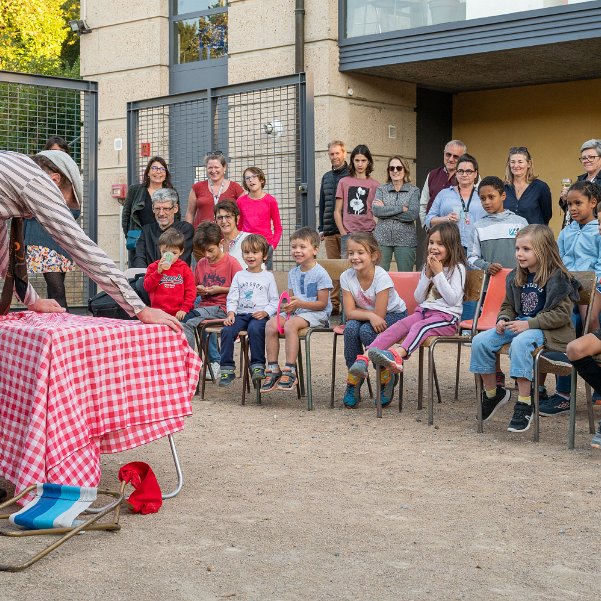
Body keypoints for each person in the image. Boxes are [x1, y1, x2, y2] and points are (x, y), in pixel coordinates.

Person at [0, 151, 182, 503]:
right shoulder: (36, 181)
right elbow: (79, 246)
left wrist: (31, 298)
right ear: (56, 182)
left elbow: (4, 255)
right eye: (66, 202)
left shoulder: (10, 177)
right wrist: (139, 308)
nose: (59, 208)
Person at [470, 225, 579, 433]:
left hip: (548, 330)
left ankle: (524, 401)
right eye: (517, 248)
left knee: (521, 342)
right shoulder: (515, 276)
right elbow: (508, 306)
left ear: (544, 250)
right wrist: (503, 318)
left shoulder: (559, 277)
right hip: (520, 325)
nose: (520, 254)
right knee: (480, 341)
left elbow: (561, 315)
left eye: (526, 249)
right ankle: (494, 394)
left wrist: (528, 324)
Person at [360, 223, 467, 404]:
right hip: (425, 311)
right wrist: (426, 274)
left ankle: (398, 356)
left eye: (440, 244)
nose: (434, 247)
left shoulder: (458, 269)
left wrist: (439, 274)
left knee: (419, 326)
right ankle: (367, 355)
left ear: (452, 246)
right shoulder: (429, 266)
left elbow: (452, 300)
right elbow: (418, 298)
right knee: (400, 325)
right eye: (431, 242)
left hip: (446, 318)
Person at [538, 180, 601, 416]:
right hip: (567, 290)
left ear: (593, 203)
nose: (572, 208)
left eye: (578, 203)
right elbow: (558, 262)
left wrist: (589, 285)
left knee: (588, 323)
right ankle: (563, 394)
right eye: (569, 204)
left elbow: (600, 265)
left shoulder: (599, 230)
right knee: (559, 326)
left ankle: (597, 382)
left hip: (594, 288)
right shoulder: (566, 232)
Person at [339, 232, 407, 408]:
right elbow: (349, 312)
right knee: (352, 329)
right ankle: (354, 377)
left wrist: (369, 315)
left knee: (367, 331)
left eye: (360, 252)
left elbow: (380, 315)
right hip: (368, 315)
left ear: (374, 255)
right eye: (351, 253)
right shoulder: (346, 277)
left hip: (394, 315)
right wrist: (368, 315)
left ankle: (386, 375)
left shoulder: (381, 277)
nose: (355, 257)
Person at [261, 227, 333, 393]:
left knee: (290, 325)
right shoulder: (293, 272)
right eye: (294, 247)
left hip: (317, 314)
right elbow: (291, 300)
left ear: (315, 250)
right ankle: (273, 368)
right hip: (297, 312)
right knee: (271, 324)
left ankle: (290, 370)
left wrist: (299, 304)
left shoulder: (321, 274)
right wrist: (288, 305)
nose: (297, 251)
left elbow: (322, 304)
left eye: (302, 247)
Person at [182, 221, 242, 380]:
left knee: (191, 318)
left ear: (221, 243)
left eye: (210, 250)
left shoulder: (232, 263)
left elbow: (242, 289)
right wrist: (199, 289)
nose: (207, 255)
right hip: (204, 305)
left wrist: (219, 290)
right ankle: (198, 362)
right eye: (204, 251)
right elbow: (193, 288)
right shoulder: (201, 263)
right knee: (186, 318)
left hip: (224, 307)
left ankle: (205, 363)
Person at [24, 150, 83, 309]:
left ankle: (59, 324)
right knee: (57, 289)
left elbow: (74, 213)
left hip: (61, 243)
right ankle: (64, 326)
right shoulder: (34, 187)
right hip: (43, 243)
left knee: (56, 289)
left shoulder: (69, 189)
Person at [219, 234, 278, 387]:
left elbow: (274, 301)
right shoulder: (239, 276)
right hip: (240, 314)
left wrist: (265, 312)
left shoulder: (268, 277)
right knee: (227, 330)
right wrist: (231, 313)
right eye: (246, 252)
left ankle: (258, 366)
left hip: (258, 316)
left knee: (255, 330)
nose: (250, 256)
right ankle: (227, 368)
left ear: (264, 255)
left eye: (255, 252)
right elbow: (232, 297)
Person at [122, 156, 177, 267]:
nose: (158, 172)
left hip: (163, 240)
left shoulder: (171, 192)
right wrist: (129, 235)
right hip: (139, 239)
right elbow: (126, 216)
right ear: (148, 172)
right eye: (154, 168)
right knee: (139, 274)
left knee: (163, 273)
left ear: (166, 173)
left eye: (162, 169)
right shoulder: (135, 190)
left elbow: (176, 217)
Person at [425, 153, 486, 252]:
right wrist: (445, 218)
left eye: (469, 171)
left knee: (473, 268)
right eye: (460, 171)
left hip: (476, 248)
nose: (464, 174)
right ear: (456, 174)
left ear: (475, 174)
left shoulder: (482, 195)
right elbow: (428, 220)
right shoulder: (444, 194)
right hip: (448, 247)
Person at [468, 176, 528, 275]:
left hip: (518, 283)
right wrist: (486, 266)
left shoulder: (520, 223)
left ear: (503, 196)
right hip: (490, 286)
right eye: (482, 198)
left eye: (491, 197)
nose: (486, 202)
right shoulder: (478, 227)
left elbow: (530, 252)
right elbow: (471, 258)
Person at [373, 155, 420, 272]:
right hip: (382, 239)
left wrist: (386, 209)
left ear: (405, 170)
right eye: (391, 168)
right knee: (379, 275)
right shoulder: (381, 189)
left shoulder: (413, 191)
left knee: (405, 277)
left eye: (399, 168)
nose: (395, 171)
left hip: (406, 241)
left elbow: (412, 215)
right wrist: (401, 208)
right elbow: (376, 211)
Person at [318, 140, 349, 314]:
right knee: (333, 270)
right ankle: (334, 306)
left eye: (338, 153)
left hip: (347, 230)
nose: (335, 156)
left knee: (349, 268)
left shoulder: (351, 174)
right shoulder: (326, 177)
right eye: (332, 154)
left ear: (344, 154)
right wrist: (321, 227)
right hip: (330, 230)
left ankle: (348, 306)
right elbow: (322, 203)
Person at [334, 144, 380, 256]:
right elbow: (337, 211)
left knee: (368, 269)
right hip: (348, 234)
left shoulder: (375, 185)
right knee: (347, 269)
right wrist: (343, 232)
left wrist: (375, 230)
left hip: (368, 234)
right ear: (352, 161)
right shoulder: (344, 182)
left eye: (363, 160)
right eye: (357, 160)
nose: (360, 164)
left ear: (368, 161)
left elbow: (379, 212)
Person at [133, 188, 194, 268]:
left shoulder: (185, 229)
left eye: (166, 209)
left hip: (175, 277)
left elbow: (180, 260)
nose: (161, 213)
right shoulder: (146, 231)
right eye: (157, 208)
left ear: (175, 208)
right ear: (152, 208)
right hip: (149, 277)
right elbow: (139, 258)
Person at [143, 228, 196, 320]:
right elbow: (147, 287)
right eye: (165, 252)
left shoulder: (184, 268)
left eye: (174, 253)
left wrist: (184, 309)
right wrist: (158, 272)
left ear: (181, 252)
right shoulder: (153, 267)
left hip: (178, 313)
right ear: (160, 249)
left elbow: (191, 292)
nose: (169, 256)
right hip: (158, 313)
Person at [236, 167, 282, 270]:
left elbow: (278, 227)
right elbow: (239, 226)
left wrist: (273, 245)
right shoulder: (240, 202)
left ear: (261, 179)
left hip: (265, 246)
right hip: (247, 246)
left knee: (266, 277)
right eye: (247, 178)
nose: (250, 180)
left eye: (254, 176)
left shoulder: (270, 201)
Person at [185, 151, 244, 229]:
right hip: (202, 236)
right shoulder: (197, 187)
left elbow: (243, 213)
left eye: (216, 167)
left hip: (228, 236)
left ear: (224, 167)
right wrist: (188, 233)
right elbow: (190, 213)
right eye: (210, 167)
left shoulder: (235, 187)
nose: (213, 171)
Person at [418, 139, 466, 227]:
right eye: (448, 154)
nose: (451, 159)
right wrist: (425, 226)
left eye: (456, 156)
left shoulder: (469, 176)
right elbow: (424, 204)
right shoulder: (432, 174)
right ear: (444, 153)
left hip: (458, 232)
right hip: (434, 232)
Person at [503, 146, 552, 225]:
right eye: (512, 162)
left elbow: (546, 215)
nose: (516, 165)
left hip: (534, 235)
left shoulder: (540, 187)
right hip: (509, 236)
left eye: (520, 162)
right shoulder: (503, 188)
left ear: (528, 164)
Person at [561, 140, 601, 227]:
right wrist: (565, 199)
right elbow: (572, 210)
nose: (586, 160)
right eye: (584, 158)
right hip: (572, 229)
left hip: (593, 230)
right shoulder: (580, 180)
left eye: (591, 157)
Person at [214, 200, 251, 268]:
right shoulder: (216, 245)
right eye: (220, 218)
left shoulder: (249, 239)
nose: (224, 221)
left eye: (228, 217)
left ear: (237, 218)